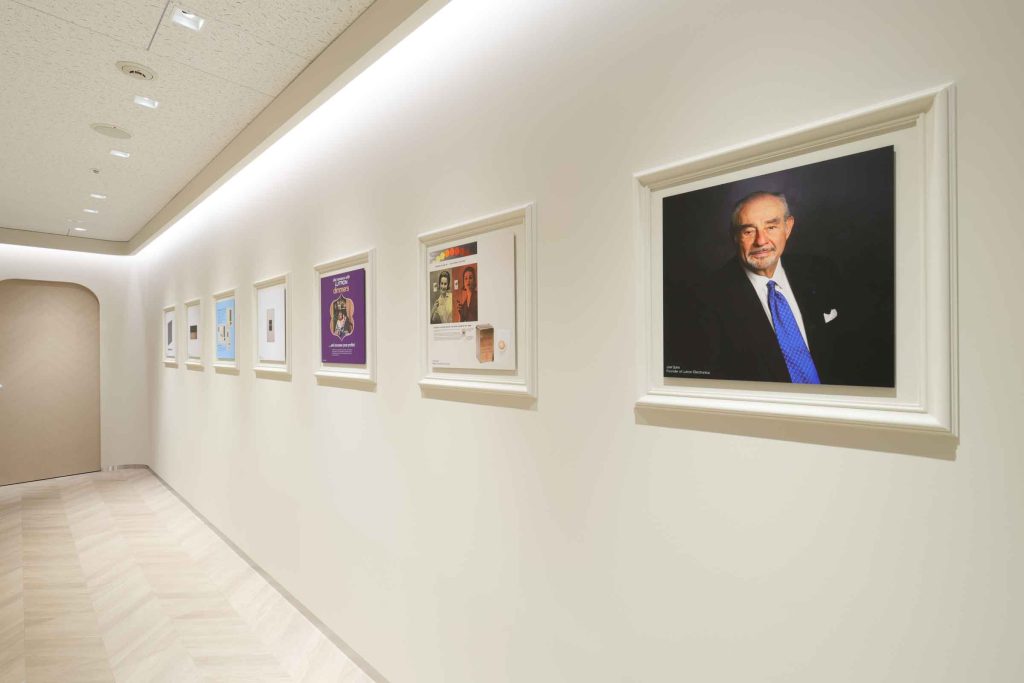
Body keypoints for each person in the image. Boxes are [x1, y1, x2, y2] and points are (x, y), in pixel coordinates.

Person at [686, 191, 851, 385]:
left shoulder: (821, 270)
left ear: (788, 227)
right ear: (735, 236)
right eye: (748, 231)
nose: (761, 241)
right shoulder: (704, 299)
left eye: (771, 227)